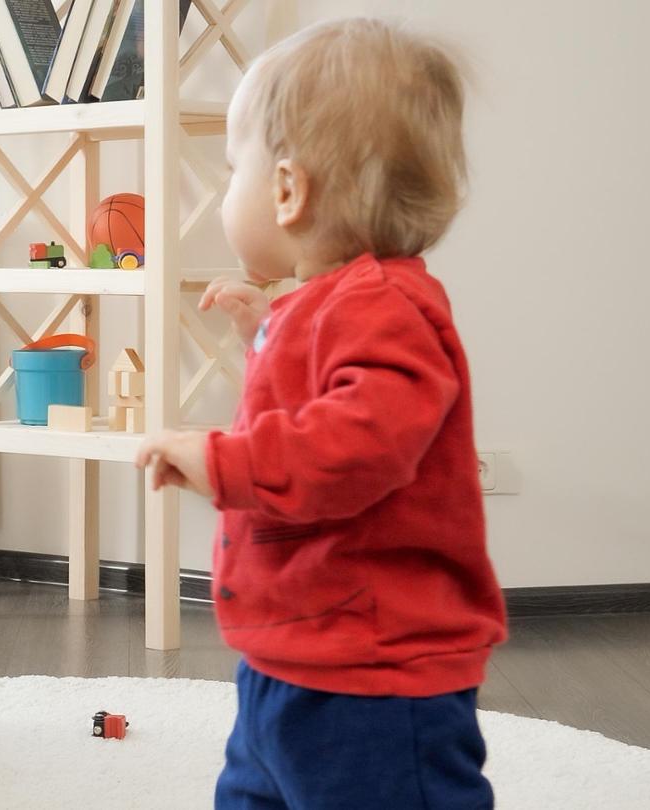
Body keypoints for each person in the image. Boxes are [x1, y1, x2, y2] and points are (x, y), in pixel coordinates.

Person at [135, 18, 508, 809]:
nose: (226, 193)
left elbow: (356, 445)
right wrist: (265, 340)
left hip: (375, 677)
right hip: (294, 652)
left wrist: (223, 460)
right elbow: (323, 405)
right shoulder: (329, 304)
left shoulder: (386, 306)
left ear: (286, 191)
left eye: (231, 171)